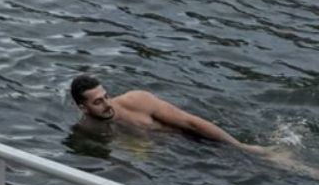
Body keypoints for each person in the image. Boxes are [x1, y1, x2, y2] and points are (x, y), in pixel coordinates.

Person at [69, 76, 265, 153]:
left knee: (261, 158)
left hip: (196, 141)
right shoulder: (87, 130)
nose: (106, 104)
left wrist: (242, 147)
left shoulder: (137, 100)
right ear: (83, 108)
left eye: (106, 96)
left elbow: (191, 123)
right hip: (177, 157)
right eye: (97, 102)